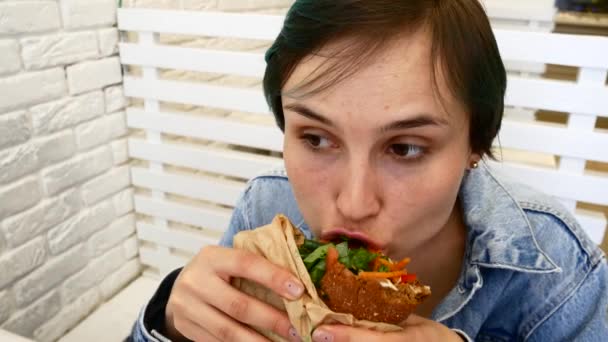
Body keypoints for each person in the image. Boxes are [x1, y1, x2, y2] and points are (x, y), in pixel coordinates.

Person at [128, 0, 608, 341]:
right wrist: (169, 324)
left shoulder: (553, 265)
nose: (353, 204)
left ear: (474, 145)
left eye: (404, 148)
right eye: (316, 139)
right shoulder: (265, 209)